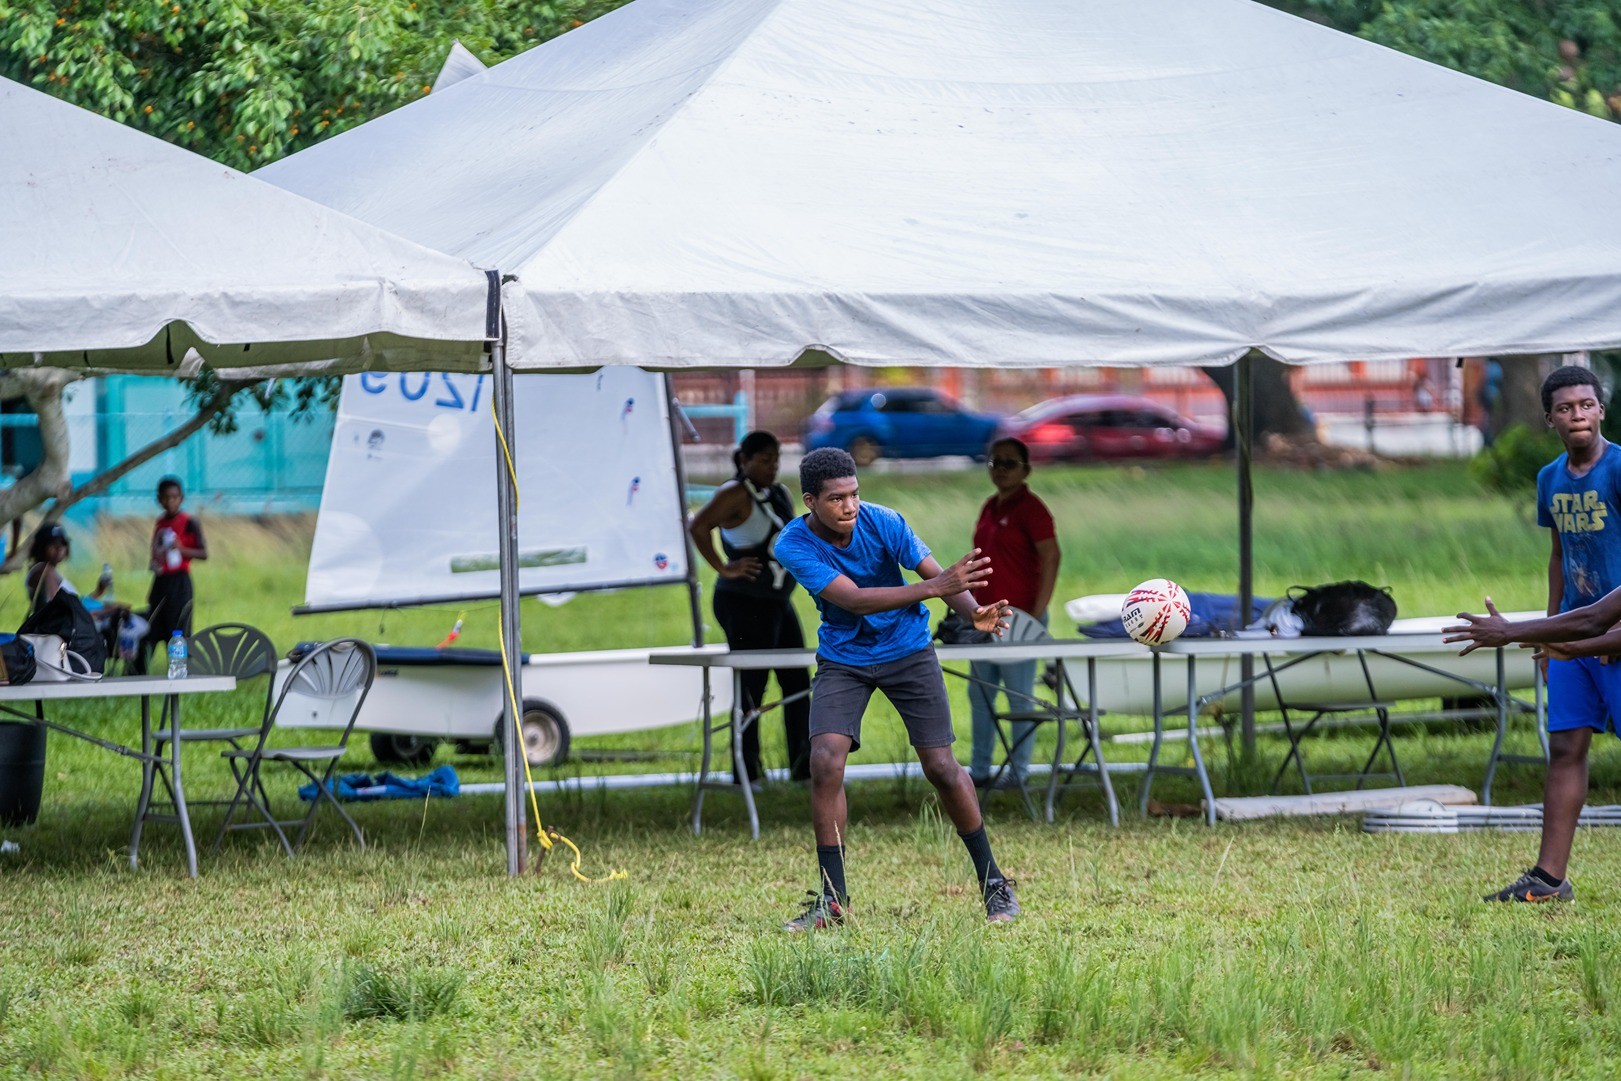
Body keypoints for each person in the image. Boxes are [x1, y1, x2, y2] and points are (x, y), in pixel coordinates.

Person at [772, 447, 1018, 931]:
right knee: (824, 760)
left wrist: (974, 612)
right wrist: (935, 589)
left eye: (854, 494)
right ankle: (832, 900)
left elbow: (936, 574)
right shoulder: (793, 544)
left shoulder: (884, 521)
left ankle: (995, 885)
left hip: (908, 650)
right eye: (837, 498)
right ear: (810, 502)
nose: (850, 506)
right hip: (844, 659)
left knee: (942, 767)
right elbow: (855, 600)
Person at [1443, 365, 1620, 903]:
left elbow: (1601, 617)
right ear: (1549, 419)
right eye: (1565, 408)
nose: (1577, 415)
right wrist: (1548, 637)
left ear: (1601, 410)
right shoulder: (1550, 479)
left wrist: (1524, 631)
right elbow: (1559, 556)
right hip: (1570, 630)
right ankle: (1548, 879)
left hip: (1610, 630)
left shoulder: (1619, 468)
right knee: (1565, 747)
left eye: (1586, 405)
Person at [687, 431, 812, 786]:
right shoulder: (734, 493)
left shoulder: (779, 493)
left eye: (776, 460)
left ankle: (803, 766)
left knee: (797, 680)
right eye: (764, 460)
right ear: (744, 460)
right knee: (752, 687)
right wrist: (723, 567)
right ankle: (747, 771)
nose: (772, 467)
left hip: (777, 601)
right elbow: (698, 526)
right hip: (743, 602)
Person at [967, 438, 1060, 789]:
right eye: (995, 462)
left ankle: (1018, 773)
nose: (1001, 469)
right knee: (980, 694)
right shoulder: (990, 506)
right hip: (985, 616)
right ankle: (979, 770)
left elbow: (1051, 557)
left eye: (1009, 463)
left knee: (1019, 696)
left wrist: (1036, 612)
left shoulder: (1032, 509)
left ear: (1026, 470)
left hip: (1019, 617)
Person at [23, 522, 131, 667]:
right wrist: (105, 612)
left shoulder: (49, 571)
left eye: (62, 544)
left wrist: (97, 593)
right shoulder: (45, 571)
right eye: (52, 544)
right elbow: (59, 609)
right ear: (41, 547)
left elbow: (72, 604)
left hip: (71, 626)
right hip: (66, 632)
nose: (59, 548)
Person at [138, 476, 207, 673]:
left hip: (179, 582)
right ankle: (138, 673)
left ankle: (181, 673)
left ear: (181, 498)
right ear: (159, 499)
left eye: (174, 497)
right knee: (151, 627)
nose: (170, 502)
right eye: (166, 498)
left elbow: (203, 553)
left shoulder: (188, 522)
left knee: (178, 630)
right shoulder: (160, 522)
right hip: (161, 581)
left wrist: (182, 549)